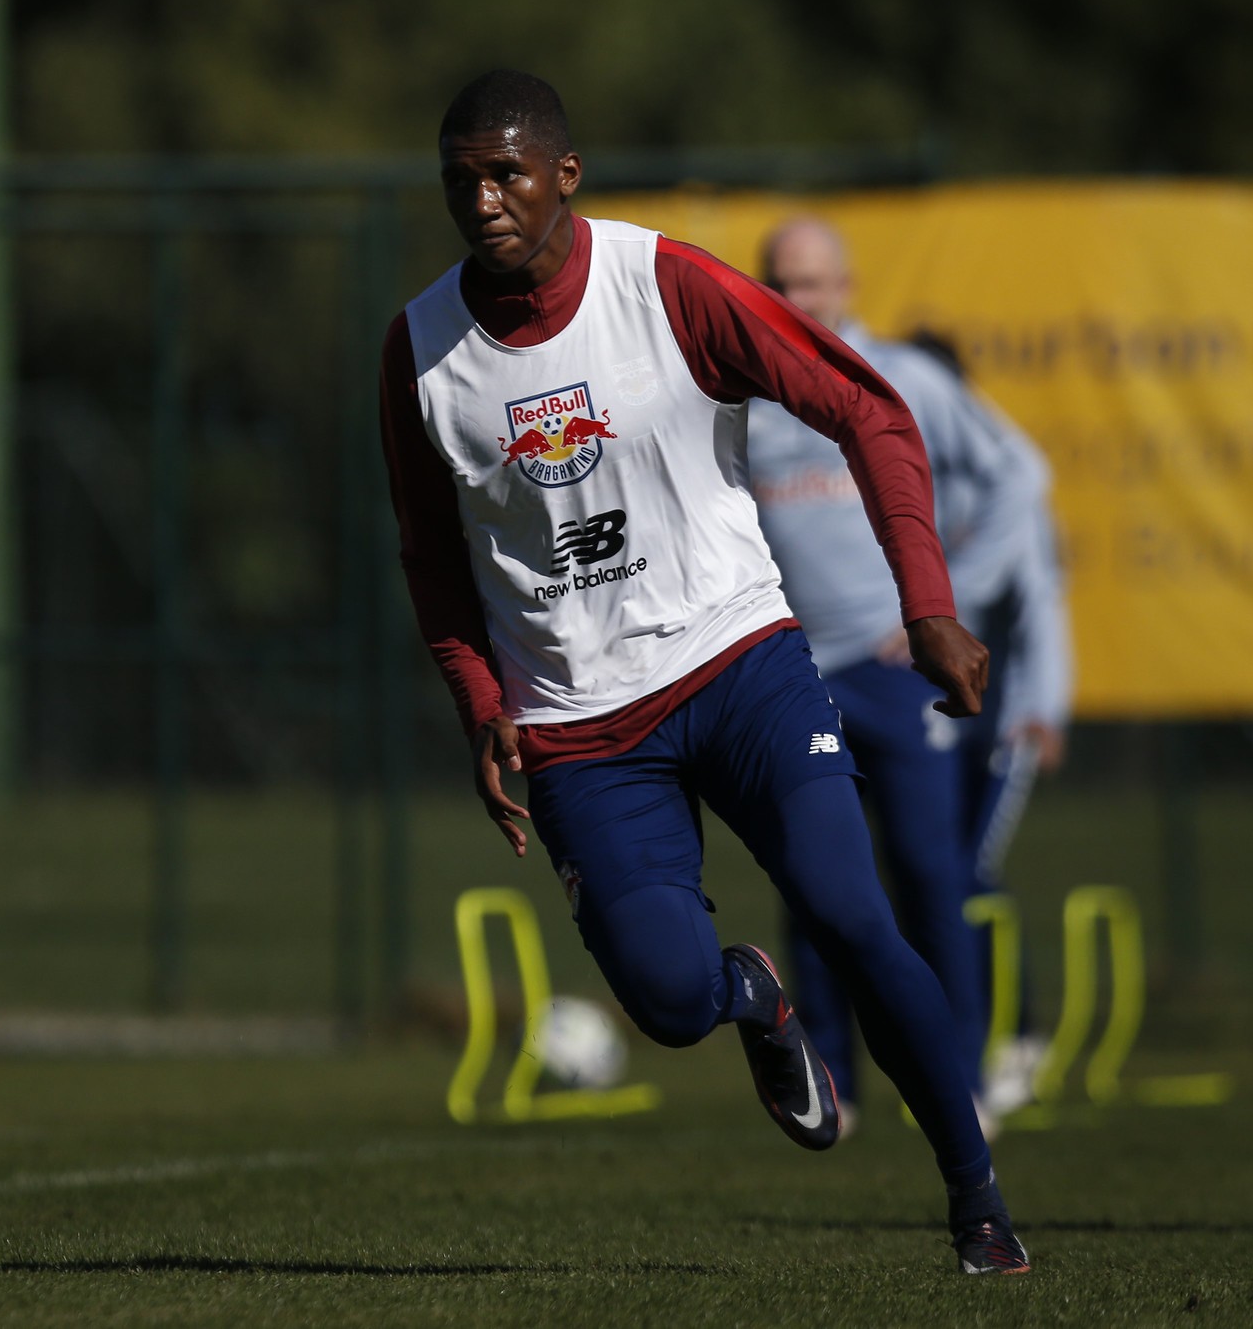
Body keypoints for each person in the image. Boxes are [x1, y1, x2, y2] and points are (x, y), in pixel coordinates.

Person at [379, 69, 1028, 1273]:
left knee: (851, 911)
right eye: (459, 179)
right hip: (579, 724)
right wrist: (479, 705)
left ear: (564, 174)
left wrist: (927, 604)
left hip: (737, 664)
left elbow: (868, 409)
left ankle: (975, 1198)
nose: (483, 199)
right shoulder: (420, 347)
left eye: (506, 172)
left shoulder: (665, 284)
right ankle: (753, 999)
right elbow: (428, 554)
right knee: (669, 1002)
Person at [745, 222, 1044, 1136]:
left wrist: (943, 605)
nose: (799, 301)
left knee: (928, 872)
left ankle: (960, 1080)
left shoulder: (905, 377)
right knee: (816, 878)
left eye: (813, 283)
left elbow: (1021, 475)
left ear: (846, 285)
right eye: (782, 284)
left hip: (900, 674)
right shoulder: (743, 395)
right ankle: (831, 1078)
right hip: (797, 672)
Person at [908, 328, 1073, 1114]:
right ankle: (959, 1040)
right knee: (934, 872)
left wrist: (1044, 706)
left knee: (970, 872)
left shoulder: (1003, 481)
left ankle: (1017, 1038)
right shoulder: (901, 473)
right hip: (930, 709)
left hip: (1001, 715)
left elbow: (1040, 603)